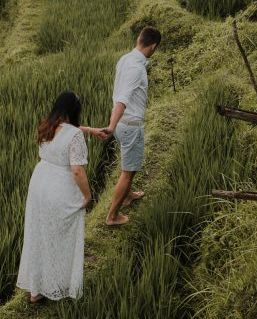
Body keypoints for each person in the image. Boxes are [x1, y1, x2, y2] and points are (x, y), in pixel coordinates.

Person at [16, 91, 106, 303]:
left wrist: (90, 130)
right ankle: (58, 284)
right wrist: (88, 196)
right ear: (75, 111)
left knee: (38, 234)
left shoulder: (48, 125)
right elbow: (77, 171)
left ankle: (35, 291)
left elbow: (67, 133)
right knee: (60, 237)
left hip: (38, 186)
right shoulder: (74, 135)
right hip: (59, 188)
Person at [102, 26, 161, 227]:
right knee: (128, 171)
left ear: (139, 40)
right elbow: (123, 98)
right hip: (129, 125)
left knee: (129, 165)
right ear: (153, 47)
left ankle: (128, 196)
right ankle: (112, 216)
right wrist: (111, 126)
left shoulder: (125, 59)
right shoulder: (137, 67)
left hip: (122, 124)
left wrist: (114, 123)